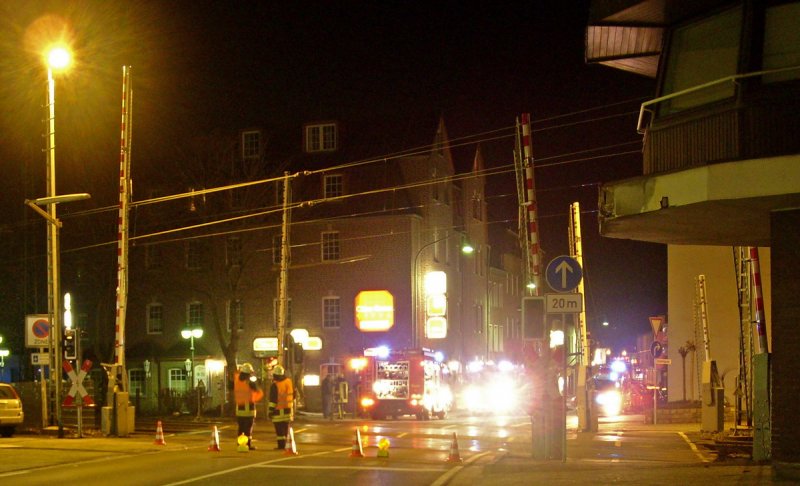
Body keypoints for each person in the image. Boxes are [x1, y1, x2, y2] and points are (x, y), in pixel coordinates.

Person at [233, 363, 263, 450]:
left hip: (239, 409)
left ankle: (240, 444)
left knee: (240, 428)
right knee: (247, 429)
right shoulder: (250, 382)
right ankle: (247, 445)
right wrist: (254, 399)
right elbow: (258, 392)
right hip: (249, 409)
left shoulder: (237, 380)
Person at [268, 365, 294, 449]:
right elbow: (294, 394)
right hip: (288, 410)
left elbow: (273, 400)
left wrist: (270, 411)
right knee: (285, 429)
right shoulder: (289, 382)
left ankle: (281, 446)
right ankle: (286, 445)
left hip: (278, 411)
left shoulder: (275, 385)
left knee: (279, 430)